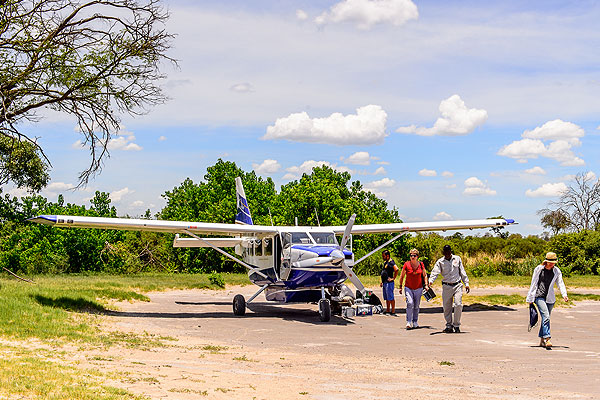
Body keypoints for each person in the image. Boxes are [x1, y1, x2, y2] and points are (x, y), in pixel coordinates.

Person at [526, 252, 568, 348]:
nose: (552, 264)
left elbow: (560, 283)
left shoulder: (556, 271)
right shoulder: (539, 269)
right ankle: (547, 339)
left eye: (553, 262)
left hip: (550, 298)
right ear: (546, 261)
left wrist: (564, 295)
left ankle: (542, 340)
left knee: (546, 317)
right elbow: (533, 283)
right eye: (550, 262)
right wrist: (530, 298)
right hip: (539, 296)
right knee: (546, 316)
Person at [429, 244, 470, 333]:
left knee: (458, 304)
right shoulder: (440, 262)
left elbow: (462, 271)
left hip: (457, 285)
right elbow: (435, 272)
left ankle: (456, 325)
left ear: (451, 252)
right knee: (447, 307)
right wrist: (431, 281)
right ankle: (449, 325)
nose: (447, 254)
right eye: (445, 252)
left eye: (449, 252)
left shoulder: (457, 259)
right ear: (443, 253)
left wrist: (466, 283)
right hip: (446, 286)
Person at [399, 248, 428, 329]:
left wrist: (426, 284)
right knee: (410, 303)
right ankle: (408, 321)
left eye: (414, 255)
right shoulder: (406, 264)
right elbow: (402, 276)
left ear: (417, 256)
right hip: (408, 287)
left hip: (418, 288)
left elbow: (424, 275)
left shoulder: (421, 264)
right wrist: (400, 286)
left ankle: (415, 321)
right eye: (411, 255)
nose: (412, 257)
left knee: (416, 305)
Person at [379, 250, 399, 315]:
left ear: (387, 256)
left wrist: (393, 278)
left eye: (384, 256)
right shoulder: (386, 262)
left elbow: (396, 269)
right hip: (385, 282)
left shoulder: (391, 262)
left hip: (389, 283)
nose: (383, 257)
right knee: (387, 297)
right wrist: (382, 281)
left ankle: (393, 311)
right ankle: (388, 310)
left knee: (390, 297)